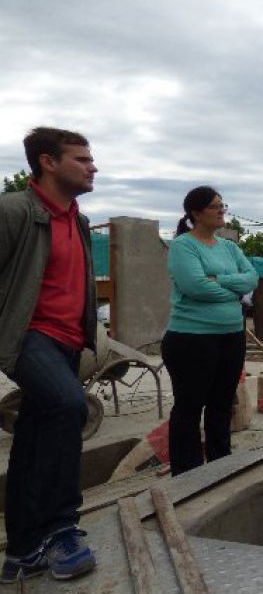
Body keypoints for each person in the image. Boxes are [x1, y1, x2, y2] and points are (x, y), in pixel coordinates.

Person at [0, 127, 99, 581]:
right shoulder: (13, 211)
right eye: (81, 158)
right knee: (68, 405)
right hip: (28, 335)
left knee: (33, 437)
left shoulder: (77, 219)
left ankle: (23, 549)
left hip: (67, 341)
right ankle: (61, 529)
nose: (92, 166)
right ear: (48, 162)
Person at [162, 186, 258, 476]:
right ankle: (187, 474)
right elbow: (195, 286)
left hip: (230, 336)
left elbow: (252, 279)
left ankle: (219, 465)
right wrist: (233, 292)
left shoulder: (229, 246)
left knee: (221, 404)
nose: (221, 210)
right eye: (215, 206)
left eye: (222, 205)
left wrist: (220, 279)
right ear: (196, 212)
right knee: (189, 408)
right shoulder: (183, 245)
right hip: (191, 339)